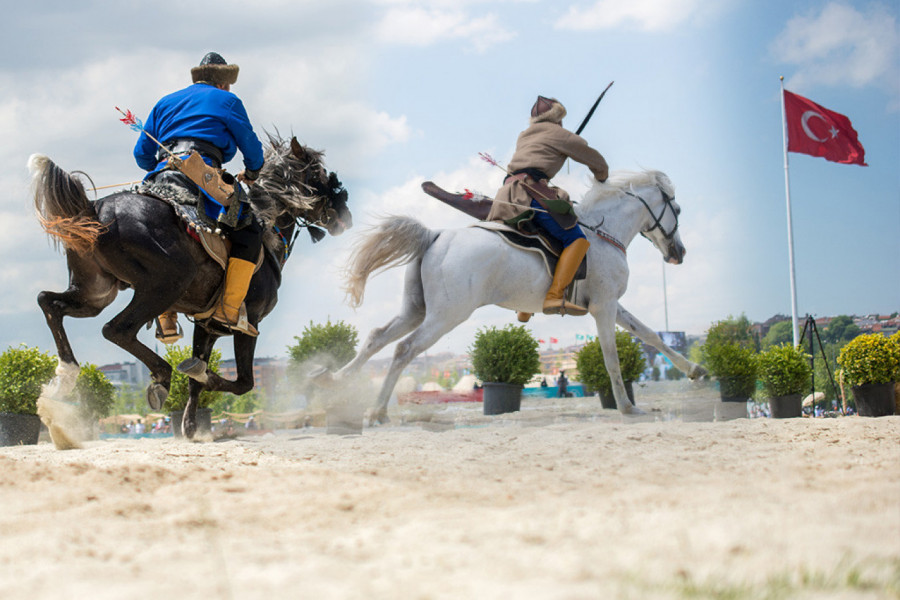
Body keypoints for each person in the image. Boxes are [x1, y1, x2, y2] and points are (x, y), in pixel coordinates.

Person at [134, 52, 265, 338]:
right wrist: (253, 172)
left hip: (158, 175)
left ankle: (165, 317)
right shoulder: (228, 101)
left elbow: (141, 155)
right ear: (223, 84)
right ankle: (229, 311)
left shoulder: (165, 102)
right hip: (202, 176)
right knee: (250, 229)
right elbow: (252, 149)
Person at [488, 96, 608, 321]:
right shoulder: (560, 135)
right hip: (531, 193)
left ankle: (526, 306)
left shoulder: (523, 136)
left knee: (539, 236)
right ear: (558, 118)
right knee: (575, 239)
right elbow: (596, 162)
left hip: (507, 196)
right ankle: (554, 295)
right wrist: (603, 176)